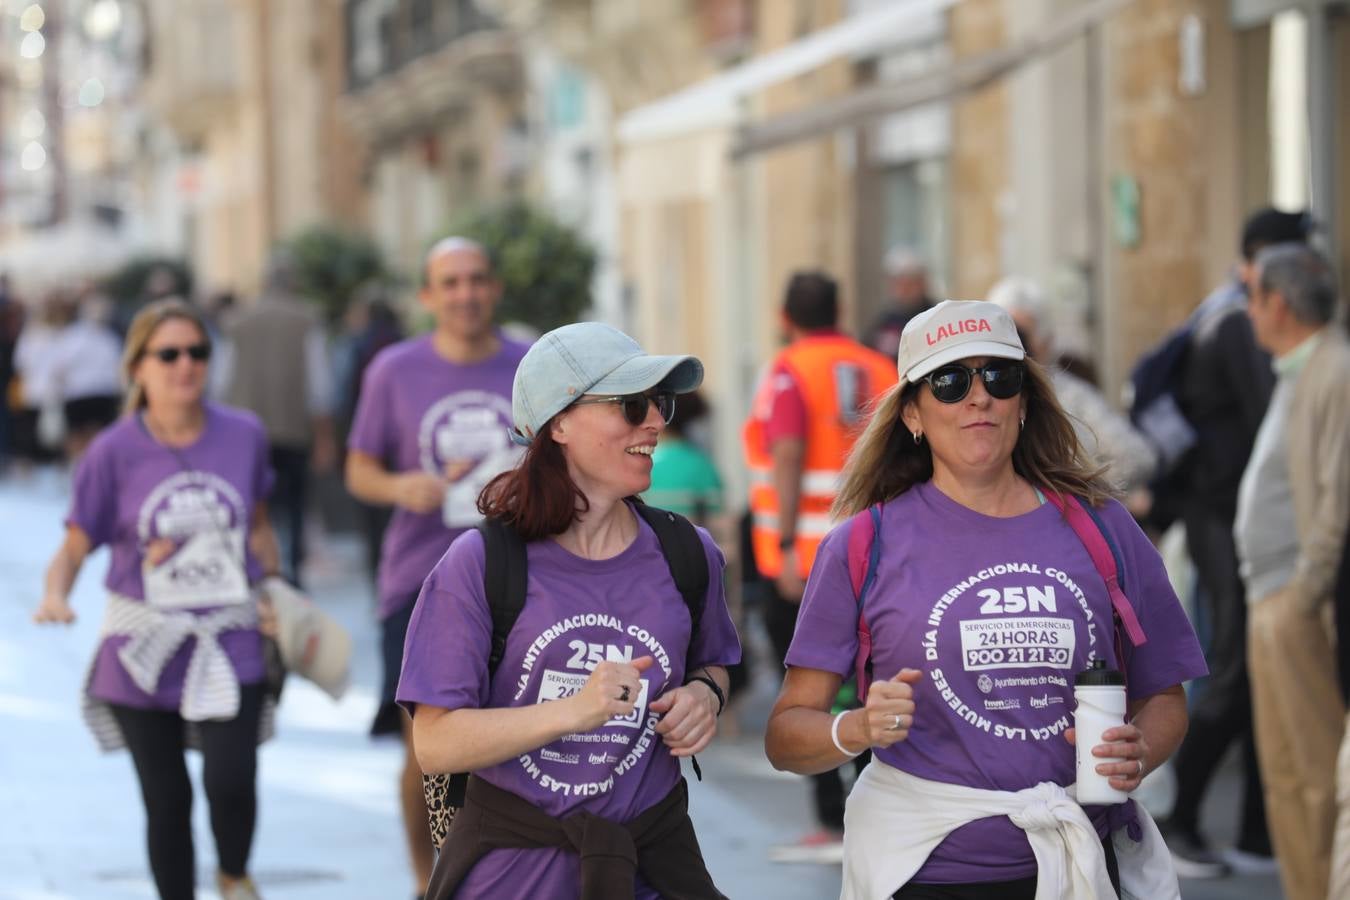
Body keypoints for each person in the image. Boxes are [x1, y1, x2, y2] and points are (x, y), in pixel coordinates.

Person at [765, 300, 1207, 898]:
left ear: (1023, 401)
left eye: (999, 377)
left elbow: (1165, 696)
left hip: (1080, 862)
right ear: (913, 414)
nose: (979, 398)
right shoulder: (862, 544)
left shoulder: (1103, 527)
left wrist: (1137, 751)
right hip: (928, 875)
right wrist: (859, 727)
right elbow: (787, 735)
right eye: (949, 382)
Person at [397, 321, 741, 899]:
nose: (656, 421)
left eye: (660, 402)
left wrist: (704, 697)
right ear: (559, 423)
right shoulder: (480, 564)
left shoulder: (688, 553)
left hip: (650, 866)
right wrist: (571, 711)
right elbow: (435, 743)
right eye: (632, 405)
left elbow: (714, 665)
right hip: (513, 877)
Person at [33, 299, 280, 900]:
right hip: (143, 647)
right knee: (167, 799)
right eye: (167, 354)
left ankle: (233, 874)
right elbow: (74, 545)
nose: (184, 365)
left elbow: (260, 527)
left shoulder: (244, 434)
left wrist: (276, 586)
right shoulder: (111, 451)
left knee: (231, 780)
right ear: (137, 367)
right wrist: (54, 595)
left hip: (232, 634)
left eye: (196, 352)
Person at [344, 237, 530, 898]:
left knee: (513, 743)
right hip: (420, 583)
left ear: (495, 288)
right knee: (429, 750)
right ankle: (431, 883)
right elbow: (358, 468)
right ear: (427, 296)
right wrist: (400, 488)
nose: (465, 294)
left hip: (520, 580)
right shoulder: (393, 370)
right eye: (450, 283)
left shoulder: (528, 363)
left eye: (477, 280)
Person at [1154, 207, 1311, 877]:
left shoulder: (1219, 315)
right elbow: (1272, 422)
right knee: (1235, 668)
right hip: (1227, 518)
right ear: (1265, 266)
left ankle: (1256, 832)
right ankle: (1181, 817)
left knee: (1252, 674)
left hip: (1228, 514)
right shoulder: (1240, 324)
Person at [743, 270, 898, 858]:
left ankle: (832, 820)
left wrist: (783, 543)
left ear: (786, 316)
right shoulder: (880, 367)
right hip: (879, 548)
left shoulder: (789, 371)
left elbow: (786, 452)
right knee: (869, 683)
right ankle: (870, 802)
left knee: (810, 692)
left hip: (807, 556)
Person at [1237, 244, 1349, 900]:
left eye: (1253, 298)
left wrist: (1307, 591)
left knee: (1312, 771)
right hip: (1271, 595)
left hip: (1293, 598)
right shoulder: (1298, 369)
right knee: (1283, 771)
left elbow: (1337, 494)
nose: (1248, 312)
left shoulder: (1333, 368)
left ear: (1278, 304)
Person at [220, 250, 337, 587]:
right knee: (297, 505)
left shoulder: (238, 321)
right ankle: (295, 575)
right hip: (294, 427)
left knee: (256, 505)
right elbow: (320, 385)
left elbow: (223, 383)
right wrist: (325, 437)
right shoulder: (307, 319)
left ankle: (262, 573)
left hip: (247, 432)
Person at [988, 276, 1157, 499]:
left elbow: (1136, 456)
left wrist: (1078, 496)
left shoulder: (1073, 396)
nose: (1014, 345)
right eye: (1002, 333)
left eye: (1021, 335)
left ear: (1046, 341)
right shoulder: (977, 394)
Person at [864, 247, 936, 359]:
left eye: (909, 282)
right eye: (898, 282)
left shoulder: (936, 317)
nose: (903, 289)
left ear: (922, 283)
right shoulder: (884, 322)